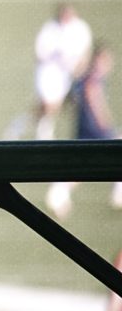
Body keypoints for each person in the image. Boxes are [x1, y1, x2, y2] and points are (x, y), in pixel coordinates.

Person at [45, 42, 122, 219]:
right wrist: (103, 120)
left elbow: (70, 99)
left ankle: (59, 191)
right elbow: (92, 98)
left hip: (83, 126)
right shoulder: (93, 79)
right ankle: (118, 195)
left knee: (83, 166)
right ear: (99, 60)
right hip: (94, 128)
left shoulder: (82, 77)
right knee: (117, 149)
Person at [4, 2, 93, 140]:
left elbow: (85, 53)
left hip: (66, 75)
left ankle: (21, 124)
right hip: (48, 72)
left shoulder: (80, 29)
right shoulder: (50, 29)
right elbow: (40, 53)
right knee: (48, 104)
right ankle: (44, 133)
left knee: (52, 107)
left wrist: (78, 70)